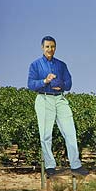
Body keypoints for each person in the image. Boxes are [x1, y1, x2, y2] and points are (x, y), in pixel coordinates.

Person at [27, 36, 89, 178]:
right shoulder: (35, 65)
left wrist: (60, 84)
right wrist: (45, 81)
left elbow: (69, 84)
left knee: (70, 131)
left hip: (60, 98)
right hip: (43, 98)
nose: (50, 49)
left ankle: (76, 165)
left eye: (53, 46)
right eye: (47, 47)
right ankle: (50, 166)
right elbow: (30, 84)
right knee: (45, 135)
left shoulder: (62, 65)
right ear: (42, 48)